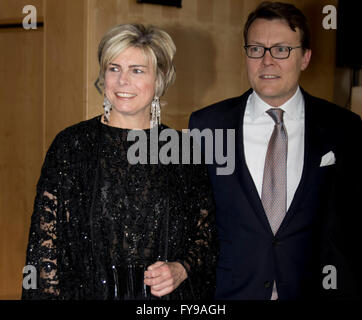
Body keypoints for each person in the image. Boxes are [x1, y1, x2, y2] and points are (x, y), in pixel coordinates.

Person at [22, 23, 218, 300]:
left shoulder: (184, 150)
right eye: (114, 68)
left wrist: (181, 268)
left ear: (159, 78)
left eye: (137, 70)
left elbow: (208, 236)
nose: (122, 81)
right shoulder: (72, 145)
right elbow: (45, 250)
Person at [189, 1, 362, 300]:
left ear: (305, 57)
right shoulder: (207, 125)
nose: (267, 61)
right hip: (228, 294)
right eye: (256, 49)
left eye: (281, 49)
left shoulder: (342, 127)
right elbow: (193, 220)